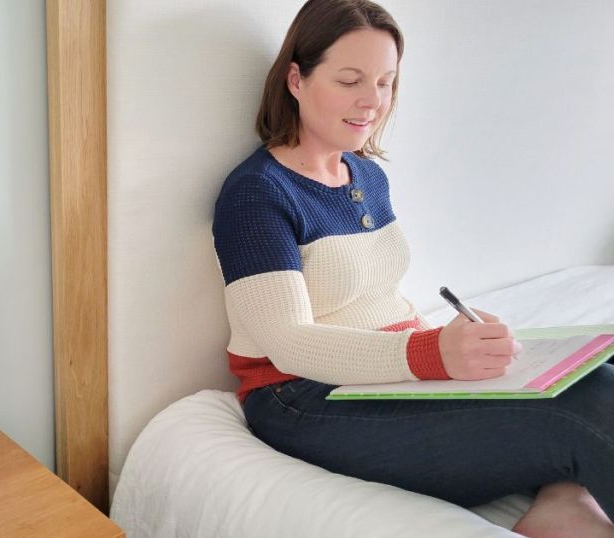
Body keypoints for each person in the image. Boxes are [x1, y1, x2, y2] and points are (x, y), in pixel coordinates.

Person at [211, 1, 614, 536]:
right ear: (296, 79)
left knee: (594, 375)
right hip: (302, 397)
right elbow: (288, 344)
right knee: (589, 405)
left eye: (385, 82)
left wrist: (459, 344)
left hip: (383, 375)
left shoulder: (366, 175)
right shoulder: (256, 195)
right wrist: (433, 354)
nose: (371, 101)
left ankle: (562, 496)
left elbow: (383, 296)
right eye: (349, 80)